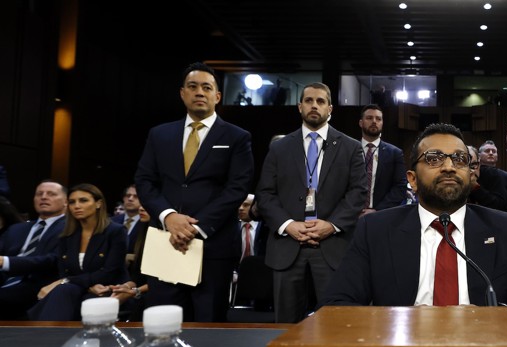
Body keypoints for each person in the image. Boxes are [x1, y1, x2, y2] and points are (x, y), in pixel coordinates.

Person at [321, 123, 507, 324]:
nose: (449, 167)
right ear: (412, 179)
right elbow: (336, 305)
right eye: (434, 159)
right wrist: (403, 321)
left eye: (460, 159)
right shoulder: (375, 230)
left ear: (471, 173)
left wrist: (491, 317)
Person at [135, 61, 254, 322]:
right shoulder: (159, 134)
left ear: (217, 96)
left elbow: (237, 188)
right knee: (162, 325)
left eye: (206, 87)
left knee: (207, 324)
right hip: (165, 242)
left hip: (213, 246)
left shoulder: (237, 137)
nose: (199, 92)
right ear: (182, 93)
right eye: (193, 86)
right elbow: (144, 181)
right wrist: (168, 217)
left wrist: (194, 228)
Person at [256, 82, 367, 323]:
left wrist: (331, 225)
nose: (314, 105)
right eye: (309, 100)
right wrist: (288, 225)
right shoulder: (280, 148)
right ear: (299, 107)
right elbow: (265, 194)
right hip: (287, 246)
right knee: (286, 326)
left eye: (320, 101)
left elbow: (358, 192)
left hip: (332, 245)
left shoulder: (350, 148)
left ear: (330, 108)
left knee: (334, 325)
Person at [26, 183, 128, 321]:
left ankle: (46, 335)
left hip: (107, 287)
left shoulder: (115, 231)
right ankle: (47, 336)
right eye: (72, 202)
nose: (77, 206)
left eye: (83, 200)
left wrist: (66, 281)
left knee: (66, 291)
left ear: (98, 204)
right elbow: (65, 271)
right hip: (78, 288)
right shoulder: (66, 236)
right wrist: (75, 282)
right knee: (64, 291)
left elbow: (110, 272)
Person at [0, 181, 68, 319]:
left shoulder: (69, 228)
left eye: (51, 194)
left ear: (66, 202)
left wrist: (5, 262)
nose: (43, 197)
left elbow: (52, 260)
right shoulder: (17, 229)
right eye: (39, 194)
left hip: (39, 282)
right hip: (5, 280)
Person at [357, 104, 407, 216]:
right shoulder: (349, 150)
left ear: (382, 123)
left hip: (382, 215)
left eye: (378, 119)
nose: (374, 121)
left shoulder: (395, 153)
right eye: (369, 118)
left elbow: (400, 187)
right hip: (351, 216)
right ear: (361, 123)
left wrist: (377, 211)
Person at [466, 146, 507, 212]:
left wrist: (475, 187)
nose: (470, 171)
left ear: (479, 163)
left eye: (473, 165)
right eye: (465, 166)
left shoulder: (493, 174)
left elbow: (504, 209)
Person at [478, 140, 507, 213]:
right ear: (479, 156)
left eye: (494, 151)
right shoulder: (474, 174)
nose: (491, 153)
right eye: (487, 151)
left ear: (497, 156)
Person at [111, 184, 142, 254]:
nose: (130, 199)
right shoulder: (111, 221)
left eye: (136, 196)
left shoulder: (147, 224)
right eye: (128, 196)